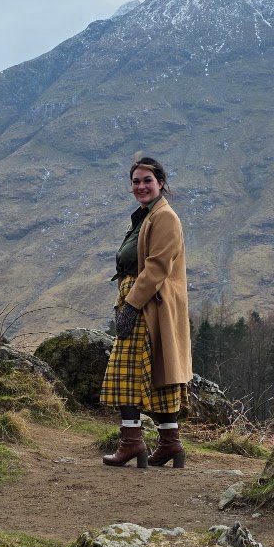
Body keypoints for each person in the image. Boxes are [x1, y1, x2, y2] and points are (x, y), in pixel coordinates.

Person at [101, 155, 192, 468]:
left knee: (125, 371)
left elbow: (156, 268)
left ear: (161, 183)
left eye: (147, 180)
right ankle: (170, 443)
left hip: (147, 303)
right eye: (136, 181)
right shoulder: (145, 215)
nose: (141, 186)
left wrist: (130, 305)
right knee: (159, 375)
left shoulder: (164, 217)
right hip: (144, 301)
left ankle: (132, 443)